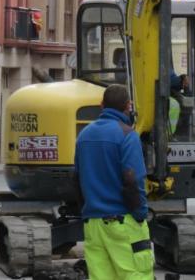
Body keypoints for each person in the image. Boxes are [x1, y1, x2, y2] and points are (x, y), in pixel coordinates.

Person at [75, 85, 154, 279]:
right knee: (135, 274)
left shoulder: (83, 135)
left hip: (93, 225)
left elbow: (76, 179)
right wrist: (140, 214)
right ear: (128, 106)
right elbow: (132, 179)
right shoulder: (127, 135)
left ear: (102, 105)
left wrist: (87, 211)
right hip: (123, 222)